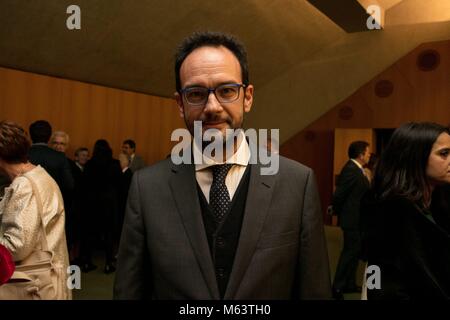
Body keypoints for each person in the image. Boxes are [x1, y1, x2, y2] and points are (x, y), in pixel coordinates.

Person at [114, 31, 331, 299]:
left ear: (247, 97)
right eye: (196, 94)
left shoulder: (297, 184)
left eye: (227, 91)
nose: (212, 107)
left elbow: (315, 292)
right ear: (180, 104)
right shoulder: (147, 188)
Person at [363, 122, 450, 299]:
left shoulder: (437, 204)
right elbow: (375, 273)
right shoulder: (389, 210)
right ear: (415, 156)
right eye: (444, 153)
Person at [0, 121, 71, 299]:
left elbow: (17, 246)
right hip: (49, 276)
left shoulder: (25, 185)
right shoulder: (39, 174)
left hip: (35, 284)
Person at [332, 141, 371, 300]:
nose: (369, 155)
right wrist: (338, 213)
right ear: (361, 155)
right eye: (368, 153)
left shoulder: (358, 169)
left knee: (355, 252)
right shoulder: (350, 169)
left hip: (358, 219)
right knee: (349, 253)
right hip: (351, 219)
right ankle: (337, 287)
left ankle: (349, 283)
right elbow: (339, 194)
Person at [84, 140, 121, 274]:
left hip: (92, 203)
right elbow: (119, 184)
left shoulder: (89, 164)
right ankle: (108, 263)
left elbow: (84, 184)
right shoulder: (115, 164)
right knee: (109, 234)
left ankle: (87, 262)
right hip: (109, 203)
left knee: (89, 234)